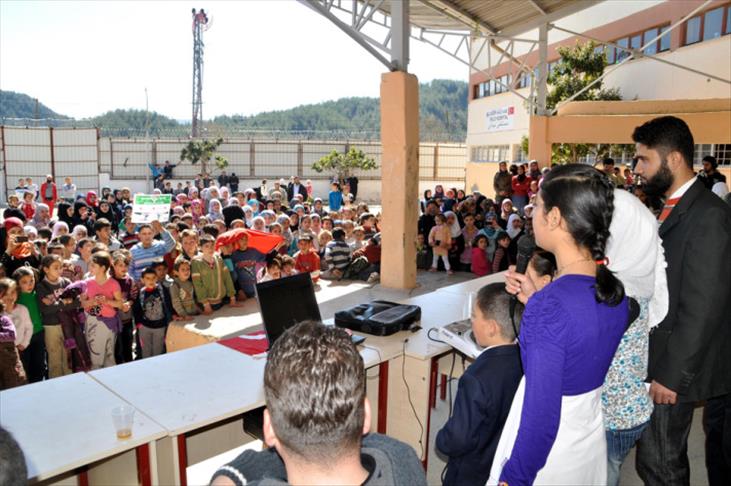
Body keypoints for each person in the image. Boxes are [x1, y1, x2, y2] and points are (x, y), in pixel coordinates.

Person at [489, 164, 628, 485]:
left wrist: (514, 478)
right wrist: (536, 300)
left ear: (554, 217)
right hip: (588, 438)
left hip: (550, 456)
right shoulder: (613, 291)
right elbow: (578, 340)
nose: (531, 213)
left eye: (536, 205)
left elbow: (541, 419)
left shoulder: (551, 308)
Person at [632, 116, 731, 486]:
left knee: (661, 465)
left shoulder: (708, 215)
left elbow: (703, 305)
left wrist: (671, 374)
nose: (637, 168)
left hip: (674, 365)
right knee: (655, 461)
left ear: (673, 159)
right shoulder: (675, 206)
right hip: (663, 355)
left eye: (644, 159)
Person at [210, 320, 426, 486]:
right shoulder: (403, 460)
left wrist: (227, 476)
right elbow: (378, 445)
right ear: (366, 416)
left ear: (268, 429)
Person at [601, 189, 669, 486]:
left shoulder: (619, 297)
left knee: (604, 473)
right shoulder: (634, 283)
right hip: (627, 410)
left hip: (615, 416)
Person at [436, 283, 523, 486]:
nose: (471, 322)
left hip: (469, 473)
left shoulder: (475, 378)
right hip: (500, 461)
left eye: (474, 316)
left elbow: (459, 437)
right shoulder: (524, 359)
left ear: (492, 327)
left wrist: (442, 439)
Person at [81, 252, 123, 370]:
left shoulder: (114, 284)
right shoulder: (87, 283)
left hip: (109, 323)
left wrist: (107, 301)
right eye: (90, 265)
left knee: (109, 355)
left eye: (93, 265)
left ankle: (110, 378)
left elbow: (120, 304)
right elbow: (83, 303)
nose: (90, 268)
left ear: (103, 268)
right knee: (95, 356)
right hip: (93, 323)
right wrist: (92, 302)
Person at [36, 255, 76, 378]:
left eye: (61, 267)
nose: (60, 270)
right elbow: (45, 310)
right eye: (56, 267)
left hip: (67, 325)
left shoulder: (66, 282)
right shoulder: (41, 286)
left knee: (68, 358)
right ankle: (55, 384)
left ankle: (69, 382)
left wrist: (55, 303)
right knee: (54, 359)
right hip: (50, 327)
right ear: (46, 269)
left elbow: (76, 302)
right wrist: (65, 302)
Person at [12, 267, 45, 382]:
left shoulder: (37, 294)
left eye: (32, 280)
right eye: (24, 282)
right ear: (17, 284)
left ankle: (39, 385)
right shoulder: (16, 299)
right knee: (25, 364)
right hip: (22, 338)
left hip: (38, 334)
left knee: (39, 364)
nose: (30, 284)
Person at [192, 235, 238, 314]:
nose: (210, 248)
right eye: (207, 246)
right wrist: (205, 304)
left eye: (212, 245)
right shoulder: (196, 263)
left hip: (222, 301)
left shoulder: (218, 258)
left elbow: (227, 277)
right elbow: (198, 285)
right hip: (206, 305)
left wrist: (232, 297)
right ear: (200, 247)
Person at [133, 266, 172, 358]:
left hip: (160, 327)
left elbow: (168, 304)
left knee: (158, 351)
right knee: (146, 351)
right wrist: (139, 324)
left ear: (157, 278)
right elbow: (136, 309)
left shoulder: (162, 290)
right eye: (148, 278)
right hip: (145, 327)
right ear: (142, 280)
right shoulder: (141, 293)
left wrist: (168, 320)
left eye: (153, 278)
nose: (151, 280)